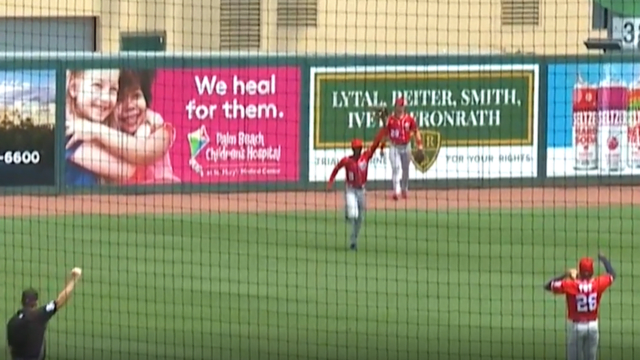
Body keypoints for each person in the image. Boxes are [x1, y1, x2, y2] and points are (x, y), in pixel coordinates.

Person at [65, 69, 179, 184]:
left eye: (136, 96)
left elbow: (145, 151)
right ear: (73, 89)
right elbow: (126, 170)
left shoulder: (159, 128)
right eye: (120, 100)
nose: (129, 106)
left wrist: (146, 126)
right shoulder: (72, 130)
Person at [544, 252, 616, 360]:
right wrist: (604, 259)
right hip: (593, 327)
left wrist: (566, 274)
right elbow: (612, 274)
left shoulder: (571, 285)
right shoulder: (598, 283)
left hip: (577, 327)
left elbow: (548, 286)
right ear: (592, 271)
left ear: (579, 271)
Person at [6, 268, 83, 360]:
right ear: (36, 303)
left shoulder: (12, 321)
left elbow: (11, 347)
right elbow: (60, 300)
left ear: (22, 302)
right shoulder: (39, 315)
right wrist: (74, 279)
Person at [64, 69, 120, 186]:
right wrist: (145, 129)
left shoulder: (101, 127)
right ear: (73, 88)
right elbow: (124, 170)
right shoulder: (68, 130)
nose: (106, 98)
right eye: (97, 86)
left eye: (113, 89)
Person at [327, 138, 382, 250]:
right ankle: (347, 212)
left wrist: (382, 133)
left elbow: (375, 145)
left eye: (359, 148)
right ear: (353, 149)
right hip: (351, 189)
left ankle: (353, 241)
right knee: (353, 214)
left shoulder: (365, 157)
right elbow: (336, 168)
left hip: (362, 190)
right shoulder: (347, 160)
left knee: (360, 218)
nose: (358, 150)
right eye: (356, 148)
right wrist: (330, 181)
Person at [371, 97, 422, 200]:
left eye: (402, 105)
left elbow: (416, 131)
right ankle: (396, 191)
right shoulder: (390, 120)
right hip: (394, 146)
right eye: (399, 105)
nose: (401, 107)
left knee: (406, 170)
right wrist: (382, 146)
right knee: (395, 168)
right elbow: (385, 134)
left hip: (406, 146)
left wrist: (419, 145)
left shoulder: (409, 119)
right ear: (396, 106)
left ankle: (404, 189)